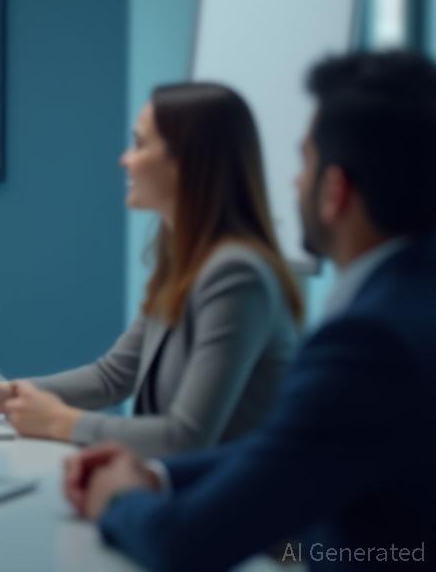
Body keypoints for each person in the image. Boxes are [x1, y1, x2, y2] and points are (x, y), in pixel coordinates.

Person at [66, 51, 436, 569]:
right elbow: (299, 448)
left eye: (305, 163)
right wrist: (159, 476)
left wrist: (120, 498)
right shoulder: (407, 309)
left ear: (334, 191)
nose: (294, 183)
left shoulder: (370, 343)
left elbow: (186, 543)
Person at [0, 83, 302, 457]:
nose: (125, 160)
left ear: (188, 160)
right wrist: (6, 396)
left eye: (140, 144)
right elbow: (113, 377)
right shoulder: (185, 262)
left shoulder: (236, 275)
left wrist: (60, 422)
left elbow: (186, 438)